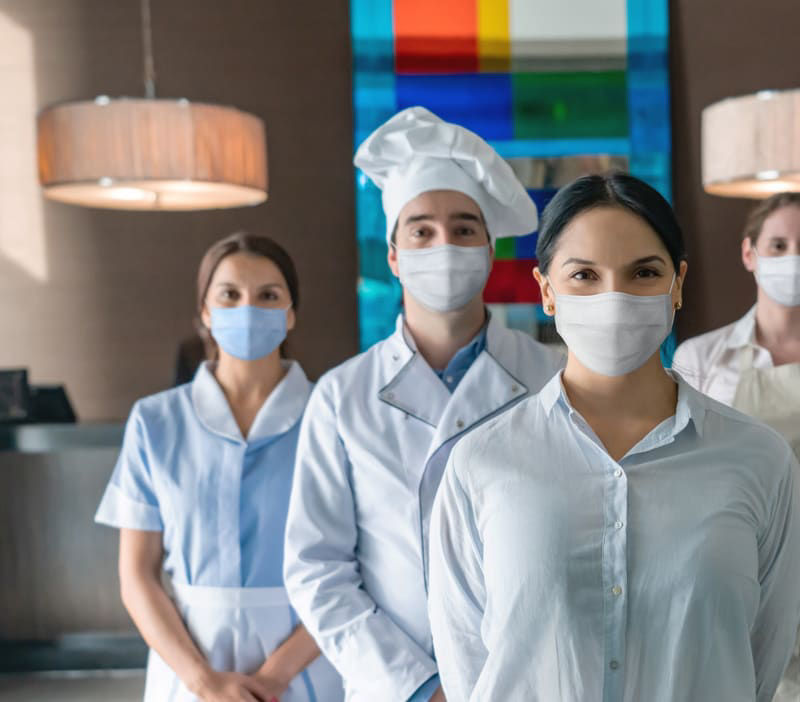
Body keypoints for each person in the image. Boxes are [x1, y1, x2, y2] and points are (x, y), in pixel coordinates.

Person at [427, 173, 800, 702]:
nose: (614, 297)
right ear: (546, 292)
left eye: (643, 273)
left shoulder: (759, 460)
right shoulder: (481, 463)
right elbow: (469, 667)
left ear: (677, 284)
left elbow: (760, 661)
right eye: (584, 275)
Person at [283, 107, 563, 702]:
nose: (444, 244)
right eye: (422, 231)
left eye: (464, 229)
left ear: (490, 251)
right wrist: (419, 686)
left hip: (532, 679)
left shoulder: (553, 377)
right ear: (392, 256)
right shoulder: (342, 395)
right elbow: (318, 568)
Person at [95, 233, 341, 702]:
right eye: (229, 294)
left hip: (310, 661)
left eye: (268, 295)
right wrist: (202, 681)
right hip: (189, 664)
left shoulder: (331, 418)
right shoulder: (156, 422)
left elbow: (355, 566)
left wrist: (274, 678)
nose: (248, 308)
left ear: (290, 314)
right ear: (205, 312)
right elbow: (137, 575)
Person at [674, 192, 800, 702]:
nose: (793, 258)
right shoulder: (701, 360)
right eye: (778, 244)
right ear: (749, 253)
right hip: (738, 573)